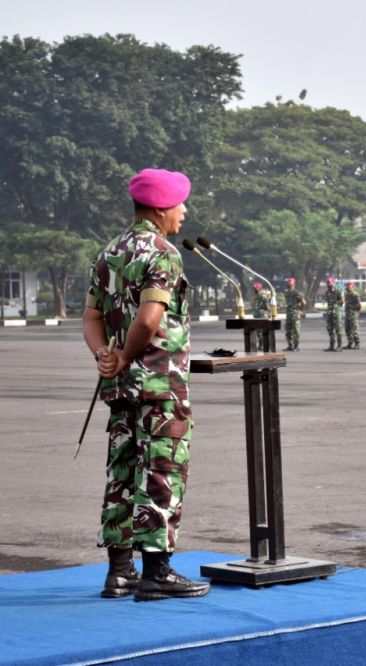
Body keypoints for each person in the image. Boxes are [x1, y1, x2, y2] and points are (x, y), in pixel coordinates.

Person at [82, 168, 210, 601]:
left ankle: (120, 572)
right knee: (161, 470)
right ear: (160, 206)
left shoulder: (109, 253)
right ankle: (157, 571)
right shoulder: (163, 251)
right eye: (180, 204)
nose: (184, 212)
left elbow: (91, 317)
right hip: (158, 383)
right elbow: (150, 318)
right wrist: (128, 355)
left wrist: (107, 356)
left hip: (120, 387)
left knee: (121, 472)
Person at [283, 277, 306, 351]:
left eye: (291, 283)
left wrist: (301, 311)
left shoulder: (297, 293)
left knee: (296, 331)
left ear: (294, 284)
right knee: (288, 331)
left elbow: (304, 303)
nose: (289, 284)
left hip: (295, 315)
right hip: (289, 314)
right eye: (289, 283)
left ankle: (296, 346)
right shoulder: (286, 293)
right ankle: (290, 345)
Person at [323, 277, 343, 352]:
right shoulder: (327, 292)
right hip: (330, 313)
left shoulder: (337, 291)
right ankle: (331, 346)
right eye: (327, 282)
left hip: (336, 313)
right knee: (330, 329)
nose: (328, 284)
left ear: (333, 283)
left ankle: (339, 346)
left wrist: (337, 308)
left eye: (330, 282)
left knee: (337, 329)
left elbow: (342, 301)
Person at [343, 282, 362, 349]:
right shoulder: (346, 295)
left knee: (354, 329)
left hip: (353, 314)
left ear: (352, 287)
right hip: (347, 314)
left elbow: (359, 305)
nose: (348, 287)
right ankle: (350, 343)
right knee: (347, 329)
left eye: (349, 286)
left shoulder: (355, 295)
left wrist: (355, 312)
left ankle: (357, 343)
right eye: (347, 286)